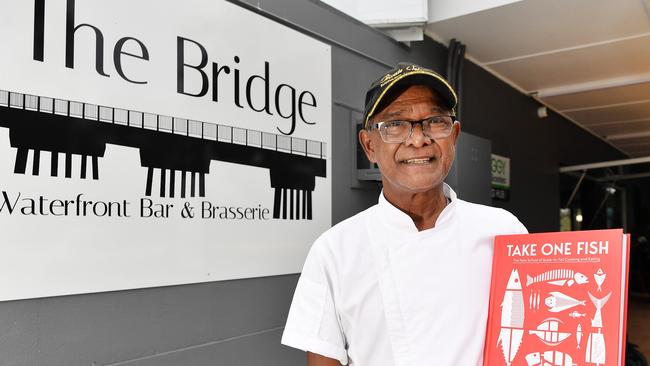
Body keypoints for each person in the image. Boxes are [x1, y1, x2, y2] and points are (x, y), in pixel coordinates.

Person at [281, 62, 527, 365]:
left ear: (454, 135)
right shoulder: (334, 251)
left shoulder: (503, 230)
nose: (418, 139)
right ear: (369, 145)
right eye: (395, 125)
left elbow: (530, 337)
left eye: (435, 121)